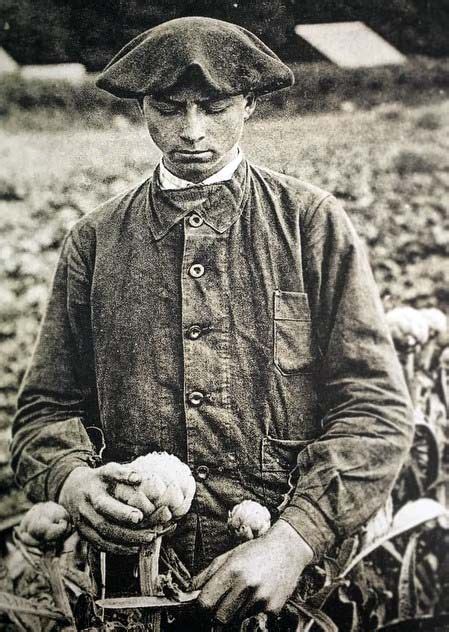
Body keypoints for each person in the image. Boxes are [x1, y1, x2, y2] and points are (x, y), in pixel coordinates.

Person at [11, 16, 414, 628]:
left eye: (216, 107)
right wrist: (70, 480)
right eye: (169, 109)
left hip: (295, 594)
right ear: (143, 106)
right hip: (131, 589)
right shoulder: (94, 242)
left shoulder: (312, 224)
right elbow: (43, 411)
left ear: (249, 103)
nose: (193, 132)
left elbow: (376, 411)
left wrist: (294, 540)